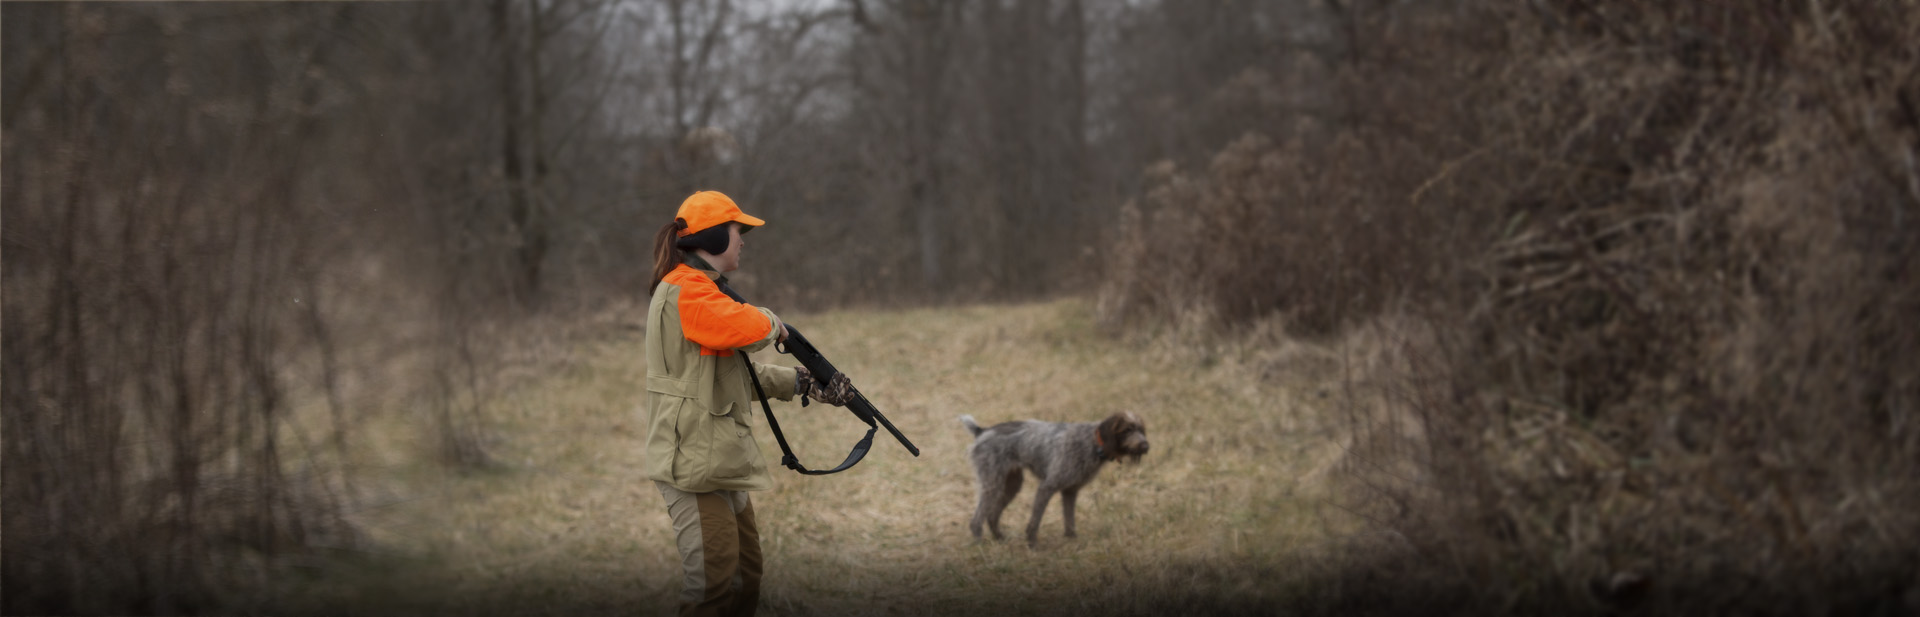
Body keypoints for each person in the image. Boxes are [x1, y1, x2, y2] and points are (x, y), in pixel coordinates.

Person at [643, 190, 856, 617]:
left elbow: (733, 374)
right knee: (712, 591)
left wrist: (802, 382)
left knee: (744, 578)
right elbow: (750, 329)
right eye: (739, 232)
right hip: (695, 466)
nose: (743, 241)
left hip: (718, 456)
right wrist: (776, 325)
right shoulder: (688, 291)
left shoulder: (706, 292)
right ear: (716, 237)